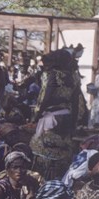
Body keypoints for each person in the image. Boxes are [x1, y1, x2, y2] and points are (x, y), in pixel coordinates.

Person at [30, 50, 78, 180]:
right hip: (66, 117)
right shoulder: (74, 77)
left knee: (44, 150)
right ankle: (59, 180)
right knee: (63, 150)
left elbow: (45, 97)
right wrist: (73, 124)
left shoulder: (51, 75)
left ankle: (45, 181)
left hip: (51, 118)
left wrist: (36, 115)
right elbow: (75, 102)